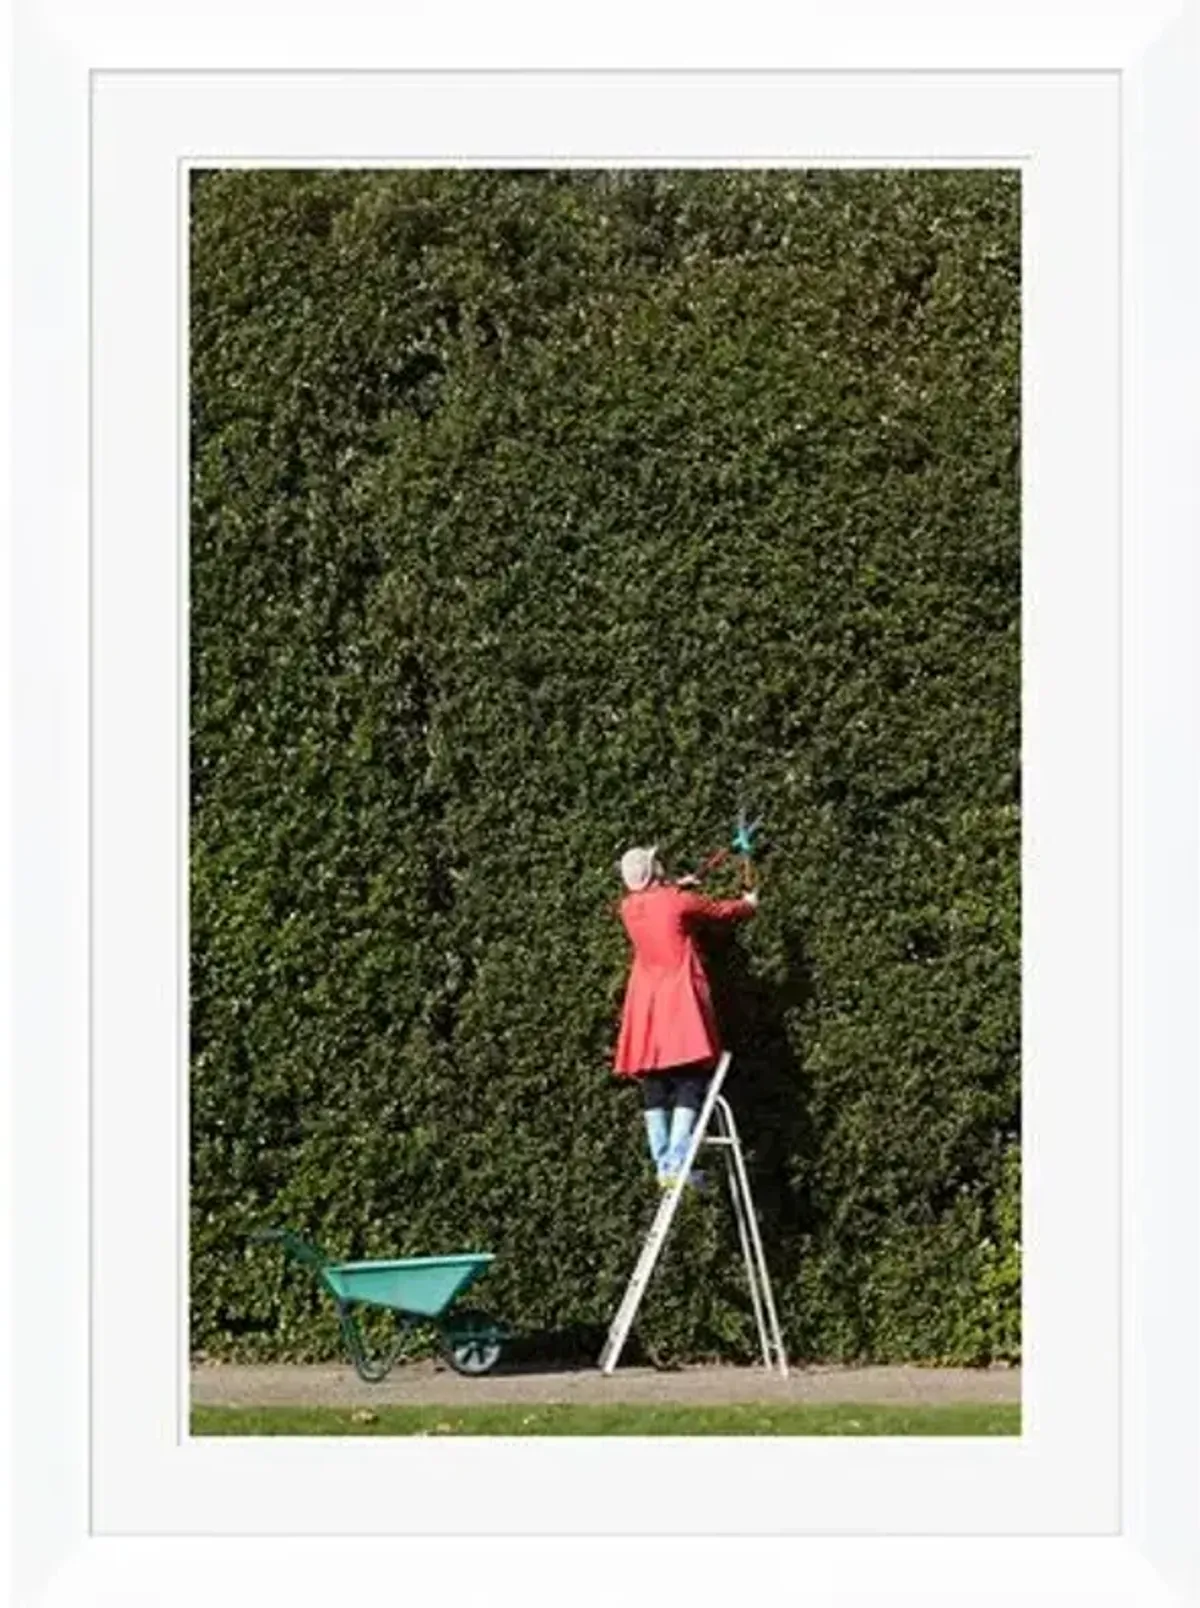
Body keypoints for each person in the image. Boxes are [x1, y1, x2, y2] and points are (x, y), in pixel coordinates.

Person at [613, 843, 758, 1187]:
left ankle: (664, 1163)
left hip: (645, 1004)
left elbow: (659, 900)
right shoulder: (676, 900)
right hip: (677, 1000)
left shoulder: (628, 907)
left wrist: (680, 883)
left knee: (656, 1082)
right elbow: (718, 910)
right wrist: (748, 905)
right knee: (690, 1078)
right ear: (653, 872)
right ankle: (677, 1161)